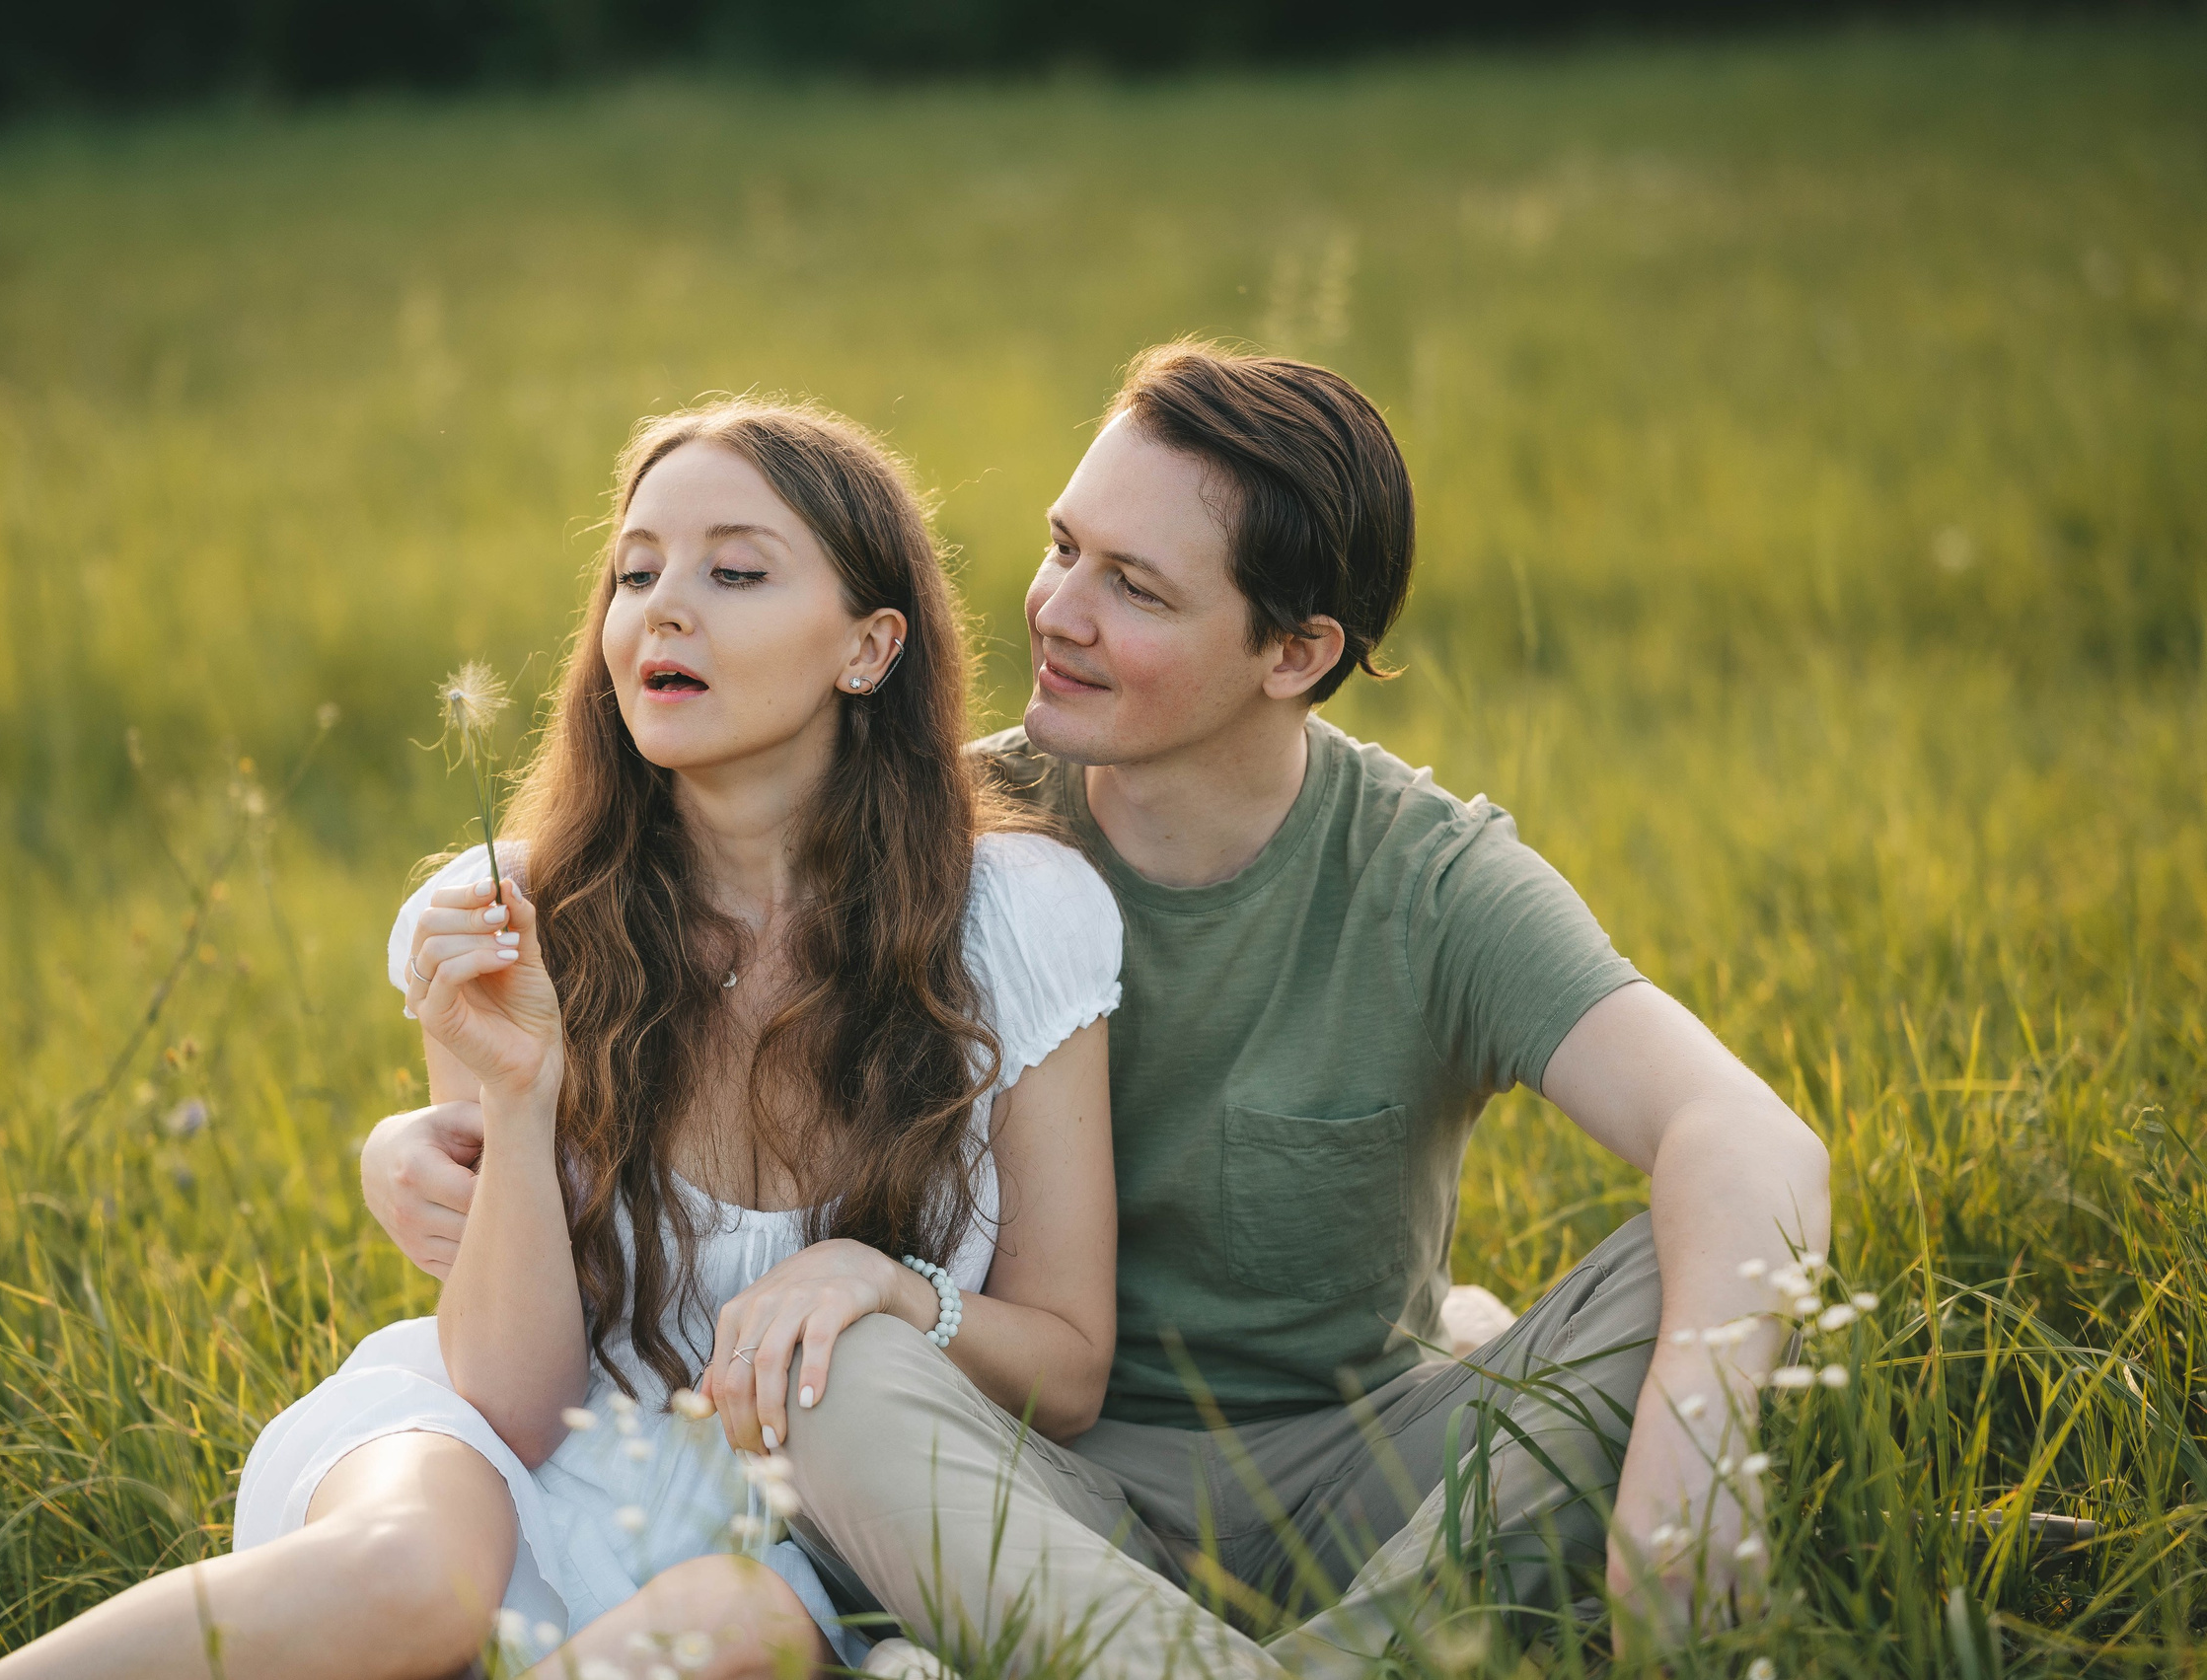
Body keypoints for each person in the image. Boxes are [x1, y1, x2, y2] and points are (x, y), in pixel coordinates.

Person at [363, 342, 1834, 1672]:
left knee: (1690, 1274)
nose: (1057, 612)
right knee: (840, 1369)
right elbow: (650, 930)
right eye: (1067, 548)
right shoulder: (941, 831)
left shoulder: (1430, 883)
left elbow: (1751, 1140)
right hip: (1008, 1481)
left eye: (1134, 588)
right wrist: (425, 1141)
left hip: (1365, 1474)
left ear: (1297, 653)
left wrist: (1676, 1511)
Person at [0, 399, 1126, 1680]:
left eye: (733, 572)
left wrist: (881, 1287)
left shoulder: (1013, 916)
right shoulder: (506, 916)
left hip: (804, 1532)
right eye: (633, 575)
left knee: (725, 1626)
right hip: (508, 1441)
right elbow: (518, 1398)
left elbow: (1069, 1365)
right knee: (416, 1576)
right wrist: (516, 1101)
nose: (660, 613)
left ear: (872, 646)